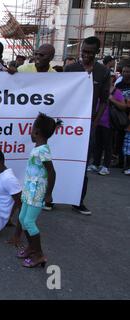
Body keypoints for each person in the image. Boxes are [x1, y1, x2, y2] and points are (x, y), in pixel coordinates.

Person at [65, 36, 111, 215]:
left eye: (90, 53)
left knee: (81, 164)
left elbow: (104, 100)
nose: (86, 55)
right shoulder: (70, 69)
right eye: (84, 51)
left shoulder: (103, 72)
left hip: (88, 126)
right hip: (67, 124)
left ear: (97, 53)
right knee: (59, 160)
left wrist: (95, 122)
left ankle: (78, 201)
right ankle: (52, 198)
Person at [11, 113, 59, 268]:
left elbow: (51, 172)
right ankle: (32, 248)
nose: (30, 133)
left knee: (29, 222)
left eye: (31, 130)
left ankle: (39, 255)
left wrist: (49, 194)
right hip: (29, 190)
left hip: (37, 192)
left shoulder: (43, 150)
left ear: (37, 132)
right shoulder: (37, 148)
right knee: (23, 219)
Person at [111, 64, 130, 175]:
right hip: (120, 115)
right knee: (119, 139)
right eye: (124, 71)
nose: (126, 73)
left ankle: (127, 164)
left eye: (128, 71)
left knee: (128, 142)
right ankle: (120, 161)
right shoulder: (119, 84)